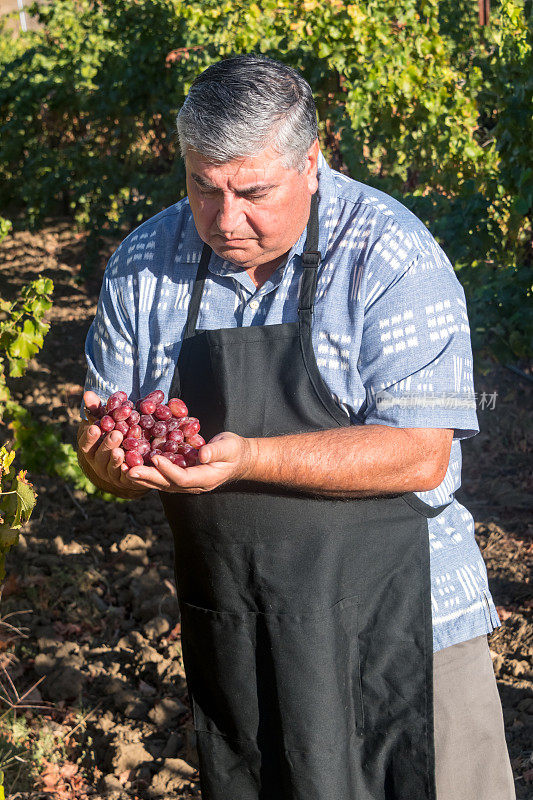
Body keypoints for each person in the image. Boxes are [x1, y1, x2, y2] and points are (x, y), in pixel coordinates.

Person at [78, 55, 515, 800]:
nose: (224, 220)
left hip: (402, 628)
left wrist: (245, 456)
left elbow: (418, 454)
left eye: (253, 193)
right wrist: (106, 465)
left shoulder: (388, 254)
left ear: (311, 163)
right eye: (202, 189)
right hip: (241, 635)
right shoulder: (144, 264)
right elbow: (109, 424)